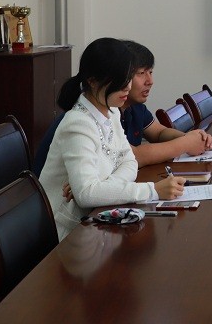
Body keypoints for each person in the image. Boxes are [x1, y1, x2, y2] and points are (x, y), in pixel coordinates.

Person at [39, 37, 185, 240]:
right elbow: (87, 194)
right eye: (120, 80)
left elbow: (130, 162)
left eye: (128, 78)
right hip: (68, 233)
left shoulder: (112, 111)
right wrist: (152, 190)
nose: (127, 87)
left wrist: (103, 186)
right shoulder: (77, 124)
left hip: (98, 219)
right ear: (92, 81)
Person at [33, 40, 212, 173]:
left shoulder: (129, 107)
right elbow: (134, 156)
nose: (150, 81)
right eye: (141, 73)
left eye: (150, 72)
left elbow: (158, 133)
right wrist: (185, 143)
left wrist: (193, 139)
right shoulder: (92, 114)